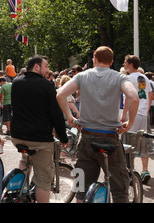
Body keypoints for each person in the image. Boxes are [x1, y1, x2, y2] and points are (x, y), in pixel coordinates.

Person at [57, 46, 139, 203]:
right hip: (110, 136)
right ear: (112, 62)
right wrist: (129, 122)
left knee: (81, 187)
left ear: (94, 59)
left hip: (87, 136)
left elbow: (60, 94)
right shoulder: (120, 77)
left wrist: (71, 118)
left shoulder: (82, 76)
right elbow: (134, 98)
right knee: (120, 189)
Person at [11, 55, 68, 203]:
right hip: (39, 138)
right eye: (46, 66)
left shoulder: (16, 82)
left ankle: (19, 190)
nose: (48, 70)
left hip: (17, 135)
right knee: (43, 179)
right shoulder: (46, 85)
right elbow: (56, 114)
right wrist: (63, 137)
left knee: (25, 159)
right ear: (37, 67)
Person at [121, 54, 152, 184]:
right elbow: (150, 95)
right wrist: (146, 110)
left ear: (130, 64)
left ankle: (130, 172)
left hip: (133, 114)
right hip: (143, 114)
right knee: (142, 141)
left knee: (129, 143)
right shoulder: (144, 77)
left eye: (125, 62)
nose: (123, 64)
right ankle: (145, 170)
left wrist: (124, 115)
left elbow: (128, 97)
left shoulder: (128, 78)